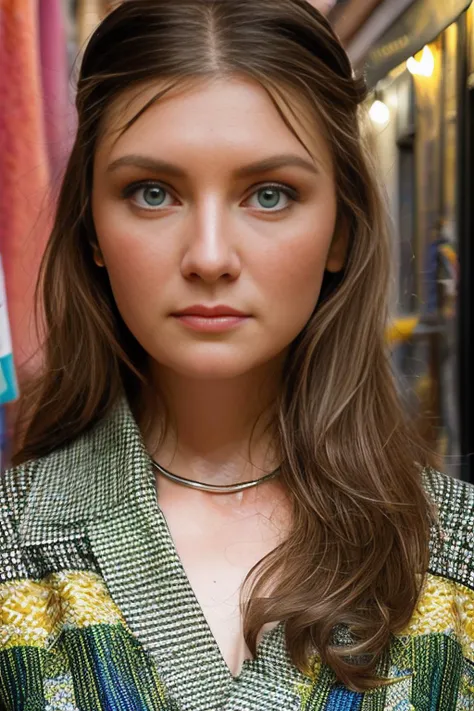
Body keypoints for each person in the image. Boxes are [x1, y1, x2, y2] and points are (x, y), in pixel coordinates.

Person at [1, 1, 473, 708]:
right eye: (153, 193)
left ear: (340, 229)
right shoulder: (13, 540)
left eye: (271, 194)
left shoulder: (456, 549)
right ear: (92, 228)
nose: (211, 256)